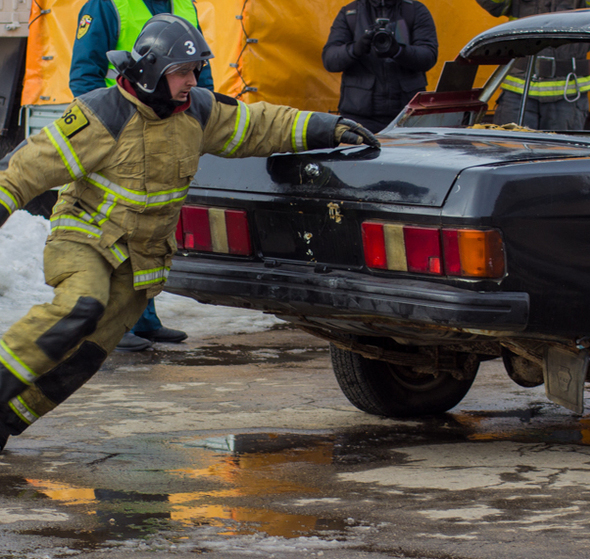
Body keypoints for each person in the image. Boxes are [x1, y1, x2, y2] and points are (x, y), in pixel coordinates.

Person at [0, 14, 379, 452]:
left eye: (194, 70)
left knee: (86, 355)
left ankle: (7, 421)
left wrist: (324, 127)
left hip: (136, 258)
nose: (191, 79)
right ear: (149, 71)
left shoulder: (196, 111)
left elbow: (257, 126)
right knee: (81, 306)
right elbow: (23, 172)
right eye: (181, 71)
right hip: (86, 238)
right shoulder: (102, 115)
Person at [70, 0, 215, 352]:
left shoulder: (185, 5)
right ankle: (111, 325)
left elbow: (201, 75)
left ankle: (142, 319)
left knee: (149, 227)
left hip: (165, 132)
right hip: (123, 137)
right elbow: (85, 75)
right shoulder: (106, 6)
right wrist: (112, 126)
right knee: (115, 230)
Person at [476, 0, 590, 131]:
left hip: (567, 93)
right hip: (518, 91)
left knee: (562, 153)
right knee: (511, 150)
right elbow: (495, 6)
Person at [322, 0, 438, 134]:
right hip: (360, 119)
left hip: (408, 117)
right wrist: (355, 49)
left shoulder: (414, 11)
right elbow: (330, 60)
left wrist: (398, 51)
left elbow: (428, 56)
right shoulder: (350, 13)